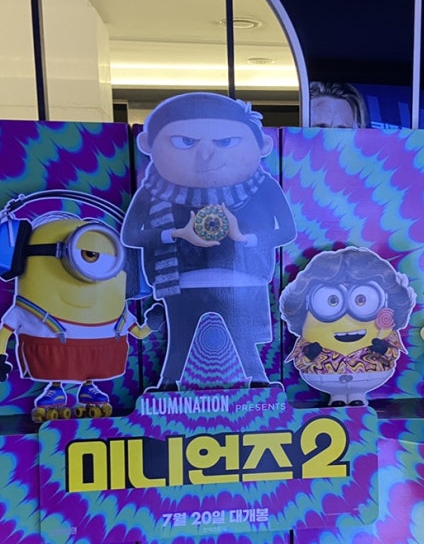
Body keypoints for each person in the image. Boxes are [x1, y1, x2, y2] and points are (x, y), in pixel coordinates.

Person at [121, 92, 296, 390]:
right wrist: (176, 234)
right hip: (179, 280)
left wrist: (244, 238)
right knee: (180, 338)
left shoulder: (263, 187)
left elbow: (287, 231)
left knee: (243, 338)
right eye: (185, 142)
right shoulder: (152, 191)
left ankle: (256, 382)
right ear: (148, 144)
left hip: (243, 279)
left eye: (225, 141)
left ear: (264, 146)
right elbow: (130, 235)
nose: (206, 155)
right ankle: (168, 385)